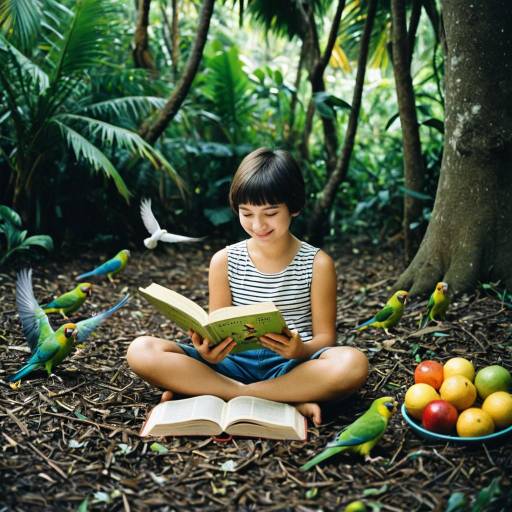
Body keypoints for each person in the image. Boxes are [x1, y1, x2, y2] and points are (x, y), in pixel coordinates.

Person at [127, 148, 368, 425]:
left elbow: (326, 338)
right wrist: (208, 349)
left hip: (291, 366)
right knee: (141, 349)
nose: (258, 224)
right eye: (246, 213)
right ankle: (279, 398)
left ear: (294, 207)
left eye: (270, 212)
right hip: (230, 366)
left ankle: (210, 392)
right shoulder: (224, 261)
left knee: (353, 363)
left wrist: (299, 351)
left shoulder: (317, 264)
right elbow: (218, 326)